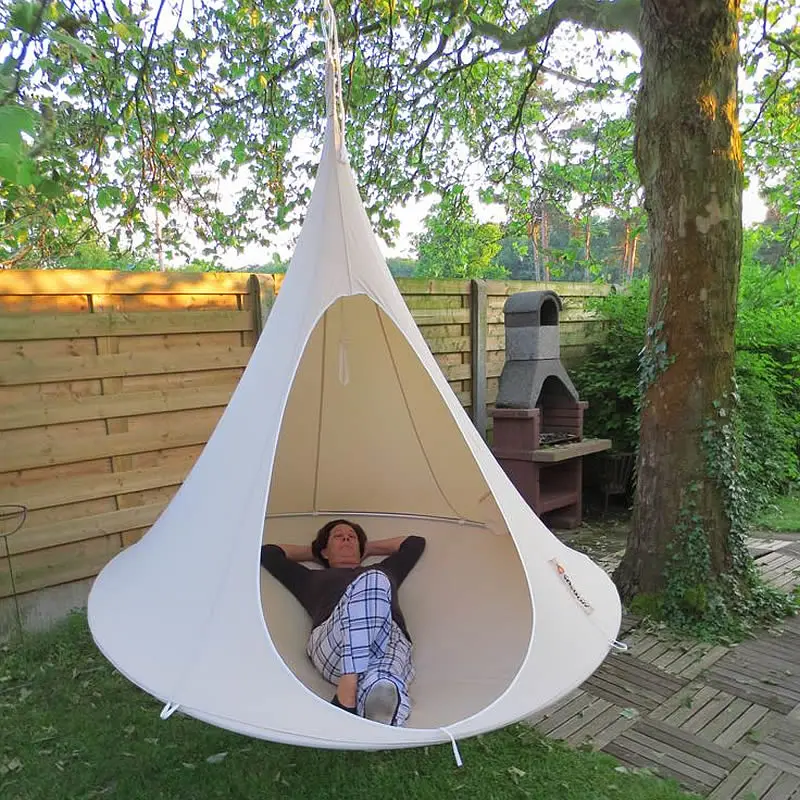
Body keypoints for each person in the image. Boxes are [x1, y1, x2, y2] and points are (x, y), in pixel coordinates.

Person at [260, 519, 426, 726]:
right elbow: (269, 553)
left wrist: (369, 548)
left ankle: (378, 715)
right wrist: (317, 552)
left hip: (389, 640)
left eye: (352, 537)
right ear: (324, 551)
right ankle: (349, 687)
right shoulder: (309, 578)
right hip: (336, 641)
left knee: (384, 685)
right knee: (374, 579)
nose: (346, 538)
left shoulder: (386, 568)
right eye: (338, 536)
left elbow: (414, 543)